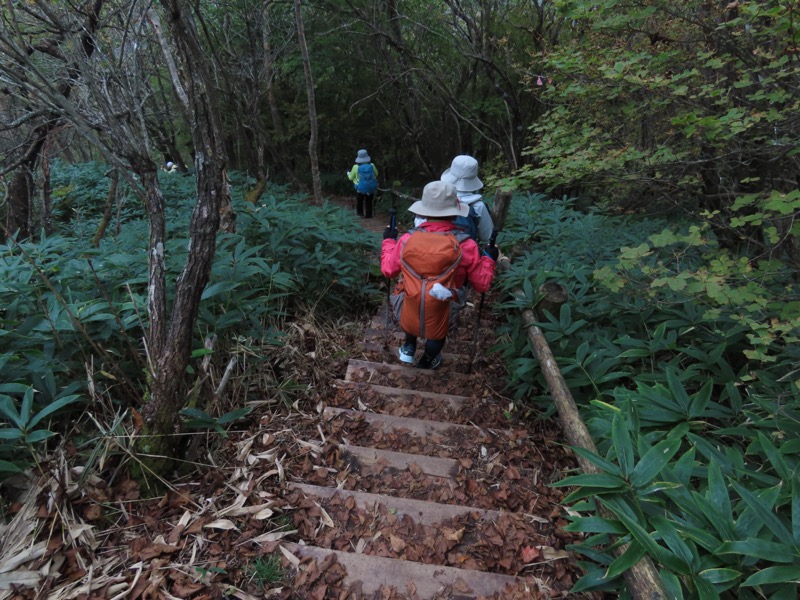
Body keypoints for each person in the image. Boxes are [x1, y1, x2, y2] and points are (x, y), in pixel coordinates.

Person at [381, 181, 498, 370]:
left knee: (414, 301)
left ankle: (409, 347)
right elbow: (482, 283)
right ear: (454, 213)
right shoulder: (466, 245)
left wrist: (388, 241)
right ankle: (428, 360)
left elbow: (388, 269)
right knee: (438, 328)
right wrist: (489, 259)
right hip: (447, 300)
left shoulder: (407, 240)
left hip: (410, 298)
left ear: (423, 212)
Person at [440, 155, 496, 335]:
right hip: (461, 262)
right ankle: (449, 332)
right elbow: (487, 235)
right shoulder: (478, 206)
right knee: (455, 296)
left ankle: (426, 330)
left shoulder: (437, 199)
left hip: (431, 258)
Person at [440, 155, 494, 244]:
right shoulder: (478, 206)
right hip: (466, 255)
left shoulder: (433, 201)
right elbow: (486, 236)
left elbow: (419, 227)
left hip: (432, 253)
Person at [347, 149, 379, 218]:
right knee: (369, 201)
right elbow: (376, 174)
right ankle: (369, 215)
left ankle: (360, 214)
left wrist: (348, 173)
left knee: (360, 201)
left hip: (360, 188)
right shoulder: (372, 165)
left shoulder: (356, 167)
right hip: (371, 187)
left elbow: (350, 178)